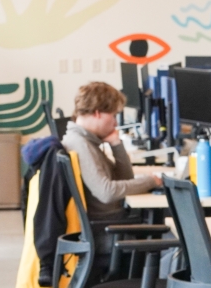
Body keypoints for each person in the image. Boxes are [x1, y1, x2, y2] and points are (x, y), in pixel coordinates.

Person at [61, 81, 161, 222]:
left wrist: (116, 144)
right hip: (107, 228)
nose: (116, 123)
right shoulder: (80, 144)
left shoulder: (88, 141)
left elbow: (125, 179)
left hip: (113, 222)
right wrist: (151, 181)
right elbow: (106, 192)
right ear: (97, 113)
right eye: (113, 116)